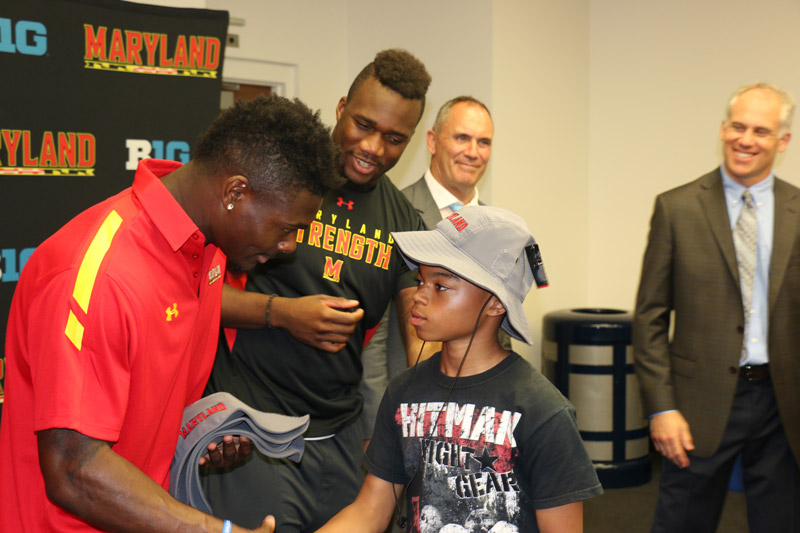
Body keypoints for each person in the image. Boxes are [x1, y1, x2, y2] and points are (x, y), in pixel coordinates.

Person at [0, 95, 341, 532]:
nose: (289, 247)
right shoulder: (101, 275)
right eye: (287, 228)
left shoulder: (210, 256)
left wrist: (196, 434)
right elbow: (73, 470)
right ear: (236, 191)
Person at [202, 49, 432, 531]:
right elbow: (193, 299)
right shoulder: (273, 183)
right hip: (254, 429)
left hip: (342, 436)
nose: (373, 147)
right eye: (363, 124)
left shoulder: (404, 224)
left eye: (394, 138)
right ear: (342, 106)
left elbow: (422, 333)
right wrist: (282, 313)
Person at [319, 206, 602, 533]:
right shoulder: (403, 392)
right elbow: (371, 508)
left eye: (440, 286)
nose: (419, 296)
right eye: (420, 280)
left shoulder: (543, 411)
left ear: (495, 303)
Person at [633, 82, 800, 532]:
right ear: (723, 129)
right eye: (738, 126)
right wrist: (661, 408)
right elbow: (649, 318)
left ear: (782, 141)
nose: (746, 140)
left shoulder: (798, 211)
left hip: (783, 407)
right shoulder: (677, 208)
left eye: (761, 131)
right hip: (696, 406)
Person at [360, 95, 510, 442]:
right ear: (432, 141)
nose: (473, 152)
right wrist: (376, 430)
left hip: (481, 418)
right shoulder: (395, 216)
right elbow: (373, 339)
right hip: (408, 413)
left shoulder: (499, 229)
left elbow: (501, 329)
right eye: (461, 138)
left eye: (483, 142)